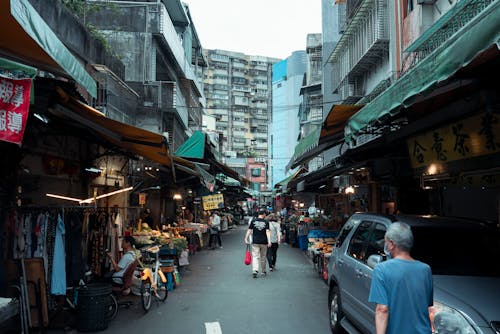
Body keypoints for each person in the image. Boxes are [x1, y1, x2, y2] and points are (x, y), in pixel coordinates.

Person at [368, 222, 433, 334]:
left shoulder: (381, 270)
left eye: (386, 242)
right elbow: (427, 307)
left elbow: (382, 309)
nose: (385, 245)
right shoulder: (425, 270)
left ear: (392, 244)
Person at [244, 210, 271, 278]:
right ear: (263, 214)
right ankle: (263, 271)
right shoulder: (266, 222)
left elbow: (249, 230)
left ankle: (255, 270)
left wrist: (246, 238)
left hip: (255, 242)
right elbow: (267, 231)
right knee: (263, 257)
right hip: (264, 242)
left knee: (255, 257)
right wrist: (269, 241)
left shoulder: (253, 221)